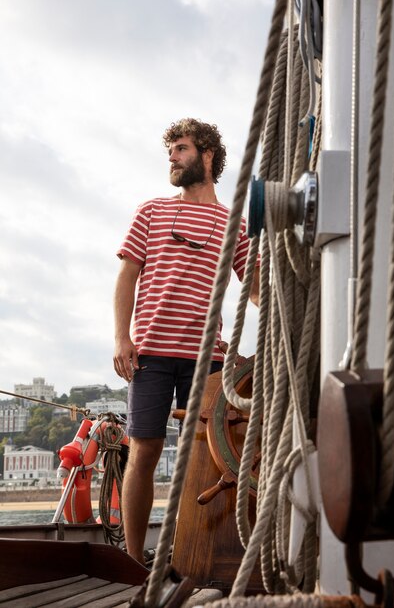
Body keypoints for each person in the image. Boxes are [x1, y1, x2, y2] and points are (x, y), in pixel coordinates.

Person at [113, 117, 259, 565]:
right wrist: (123, 337)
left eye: (180, 149)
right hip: (152, 352)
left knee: (204, 459)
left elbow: (254, 288)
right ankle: (136, 563)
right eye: (170, 152)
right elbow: (127, 277)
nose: (172, 158)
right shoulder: (152, 210)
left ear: (207, 155)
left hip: (208, 360)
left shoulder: (233, 222)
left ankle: (194, 558)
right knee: (144, 451)